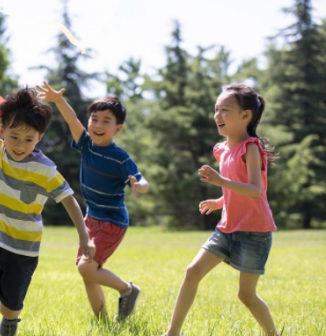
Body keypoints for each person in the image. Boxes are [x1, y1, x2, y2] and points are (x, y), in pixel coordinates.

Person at [0, 56, 95, 336]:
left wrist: (84, 236)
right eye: (14, 137)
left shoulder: (45, 169)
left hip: (24, 251)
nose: (19, 145)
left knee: (10, 308)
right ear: (2, 132)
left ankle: (10, 322)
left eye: (28, 139)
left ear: (39, 138)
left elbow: (69, 200)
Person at [161, 83, 279, 336]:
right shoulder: (221, 149)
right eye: (216, 109)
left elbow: (254, 190)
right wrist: (220, 200)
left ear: (245, 116)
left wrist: (222, 183)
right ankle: (173, 333)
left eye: (225, 110)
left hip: (254, 231)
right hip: (227, 227)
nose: (217, 115)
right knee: (192, 272)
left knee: (246, 295)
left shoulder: (251, 147)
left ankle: (273, 334)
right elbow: (235, 189)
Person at [37, 81, 149, 321]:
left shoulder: (120, 157)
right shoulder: (86, 145)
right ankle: (103, 322)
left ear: (117, 129)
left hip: (112, 222)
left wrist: (139, 185)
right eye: (94, 119)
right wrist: (58, 101)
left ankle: (127, 290)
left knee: (86, 267)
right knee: (88, 274)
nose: (98, 125)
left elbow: (141, 179)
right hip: (91, 219)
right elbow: (72, 121)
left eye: (106, 121)